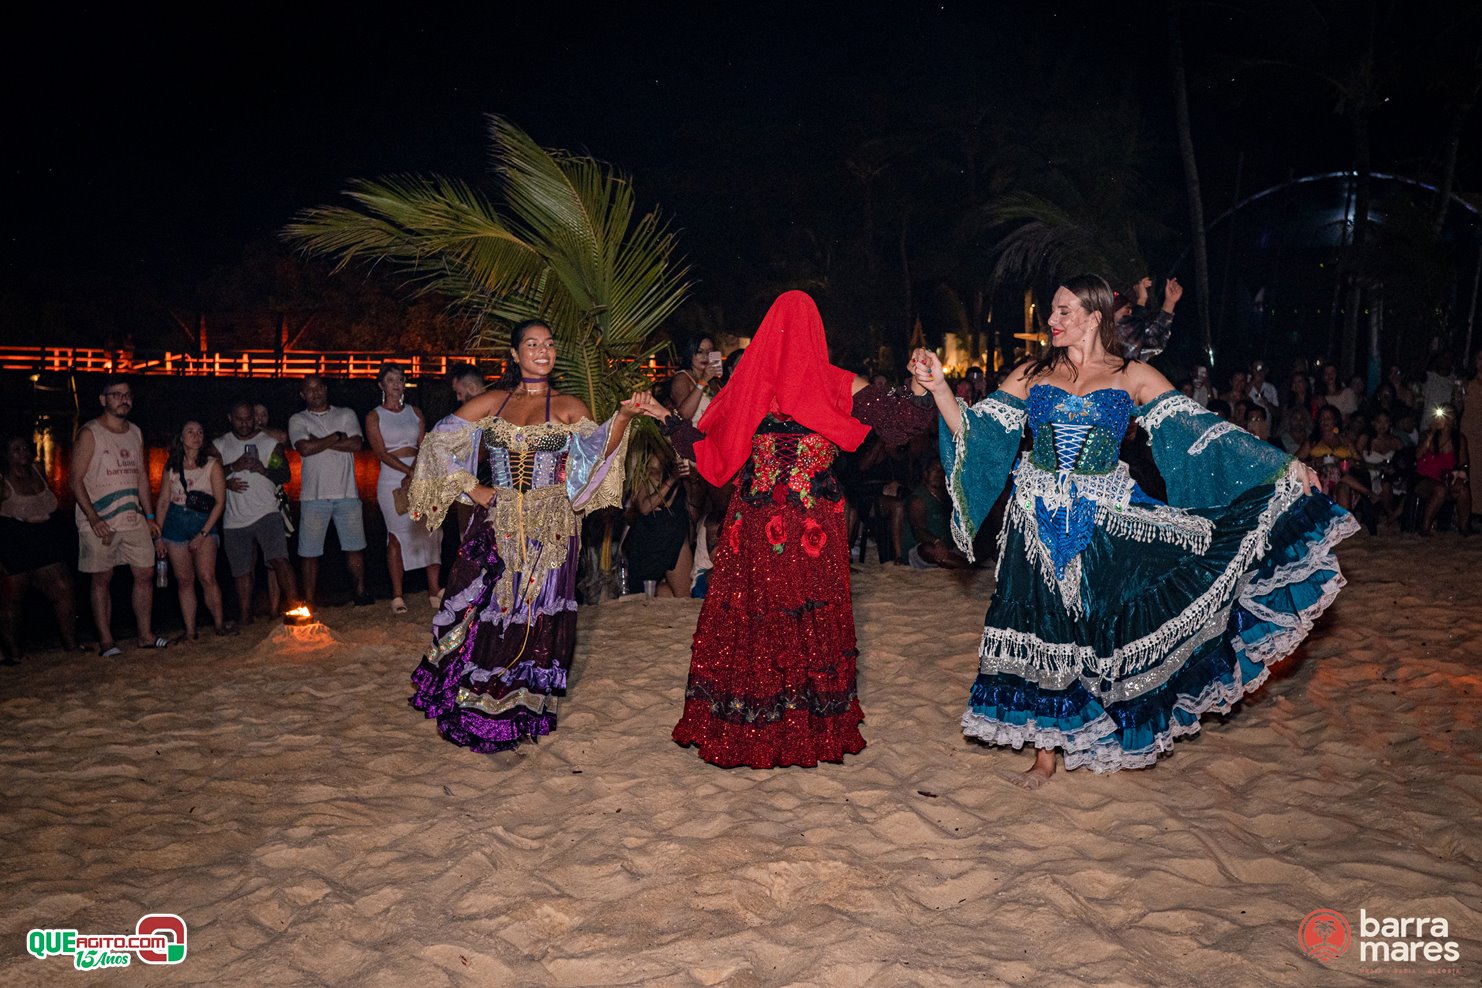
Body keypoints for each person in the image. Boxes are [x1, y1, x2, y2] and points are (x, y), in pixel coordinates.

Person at [917, 274, 1356, 787]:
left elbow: (1204, 430)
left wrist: (1282, 466)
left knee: (1099, 627)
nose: (1051, 321)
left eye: (1063, 312)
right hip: (1034, 520)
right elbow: (979, 434)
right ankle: (1044, 757)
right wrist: (940, 387)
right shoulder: (1033, 372)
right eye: (1053, 312)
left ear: (1094, 317)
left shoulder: (1132, 374)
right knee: (1044, 629)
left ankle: (1097, 728)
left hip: (1104, 521)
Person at [645, 291, 935, 769]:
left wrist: (667, 420)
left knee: (758, 616)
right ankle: (806, 725)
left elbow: (711, 455)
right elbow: (903, 422)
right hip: (814, 526)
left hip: (755, 524)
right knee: (805, 616)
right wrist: (922, 385)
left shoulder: (751, 385)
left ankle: (752, 724)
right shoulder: (840, 384)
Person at [407, 319, 644, 753]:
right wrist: (473, 488)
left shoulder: (569, 406)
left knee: (535, 613)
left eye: (549, 344)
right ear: (515, 355)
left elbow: (596, 458)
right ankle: (479, 698)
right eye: (532, 344)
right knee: (490, 607)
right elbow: (436, 444)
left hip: (551, 524)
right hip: (498, 523)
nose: (543, 351)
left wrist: (624, 417)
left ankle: (519, 707)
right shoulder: (493, 403)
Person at [70, 379, 167, 656]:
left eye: (127, 395)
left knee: (145, 572)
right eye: (116, 395)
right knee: (102, 578)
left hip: (132, 516)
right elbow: (75, 480)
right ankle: (106, 641)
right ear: (103, 400)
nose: (124, 400)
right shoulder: (90, 433)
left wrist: (149, 515)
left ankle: (145, 635)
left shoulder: (135, 432)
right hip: (100, 519)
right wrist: (93, 517)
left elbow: (142, 477)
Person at [288, 375, 371, 607]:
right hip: (313, 496)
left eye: (318, 388)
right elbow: (304, 448)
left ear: (325, 389)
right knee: (309, 551)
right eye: (309, 390)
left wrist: (320, 441)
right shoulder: (298, 419)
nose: (315, 393)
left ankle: (360, 593)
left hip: (347, 494)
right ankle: (309, 600)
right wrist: (336, 436)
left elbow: (356, 444)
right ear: (302, 394)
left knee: (355, 547)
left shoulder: (346, 414)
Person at [365, 363, 441, 614]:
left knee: (430, 529)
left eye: (400, 379)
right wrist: (408, 473)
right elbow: (380, 452)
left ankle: (433, 590)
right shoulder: (374, 415)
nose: (396, 384)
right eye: (390, 380)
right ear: (381, 385)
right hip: (391, 477)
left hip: (420, 473)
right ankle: (397, 595)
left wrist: (416, 472)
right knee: (396, 534)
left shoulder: (415, 412)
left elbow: (424, 445)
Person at [216, 401, 299, 624]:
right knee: (242, 571)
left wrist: (264, 469)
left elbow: (284, 474)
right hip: (234, 518)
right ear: (230, 418)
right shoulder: (220, 444)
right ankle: (245, 617)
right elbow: (203, 474)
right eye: (239, 419)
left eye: (248, 419)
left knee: (279, 559)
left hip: (267, 512)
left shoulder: (269, 443)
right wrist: (231, 471)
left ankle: (296, 608)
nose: (244, 423)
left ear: (254, 418)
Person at [0, 435, 81, 661]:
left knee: (64, 587)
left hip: (44, 539)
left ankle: (71, 644)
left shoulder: (38, 470)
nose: (23, 452)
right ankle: (14, 655)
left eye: (25, 447)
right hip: (14, 541)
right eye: (16, 449)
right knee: (12, 599)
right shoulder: (3, 480)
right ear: (6, 455)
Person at [154, 421, 232, 639]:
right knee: (184, 581)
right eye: (190, 432)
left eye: (199, 432)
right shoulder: (171, 467)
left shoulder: (212, 465)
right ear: (181, 438)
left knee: (207, 576)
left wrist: (203, 534)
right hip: (175, 523)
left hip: (202, 522)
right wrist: (158, 535)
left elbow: (220, 502)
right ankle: (190, 631)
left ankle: (219, 624)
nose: (196, 436)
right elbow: (163, 501)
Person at [621, 445, 694, 597]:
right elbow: (645, 507)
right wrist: (672, 479)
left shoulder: (677, 469)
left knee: (683, 595)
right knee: (643, 593)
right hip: (650, 539)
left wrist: (692, 477)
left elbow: (693, 503)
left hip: (675, 534)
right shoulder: (643, 472)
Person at [900, 458, 970, 569]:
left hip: (948, 546)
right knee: (928, 549)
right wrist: (936, 541)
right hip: (921, 548)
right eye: (934, 470)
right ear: (925, 474)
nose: (939, 474)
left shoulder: (949, 498)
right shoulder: (918, 500)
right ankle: (973, 570)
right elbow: (918, 530)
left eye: (942, 471)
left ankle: (963, 564)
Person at [1414, 406, 1471, 536]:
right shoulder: (1427, 434)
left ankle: (1464, 527)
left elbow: (1463, 463)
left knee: (1463, 490)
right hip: (1425, 478)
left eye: (1449, 414)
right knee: (1440, 490)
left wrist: (1460, 478)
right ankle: (1425, 528)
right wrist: (1431, 433)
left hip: (1447, 478)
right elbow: (1417, 455)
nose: (1446, 417)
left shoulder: (1459, 439)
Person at [670, 334, 722, 425]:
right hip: (694, 432)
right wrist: (702, 381)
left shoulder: (713, 380)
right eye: (699, 352)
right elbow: (684, 415)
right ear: (690, 354)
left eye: (709, 351)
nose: (705, 356)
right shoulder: (682, 378)